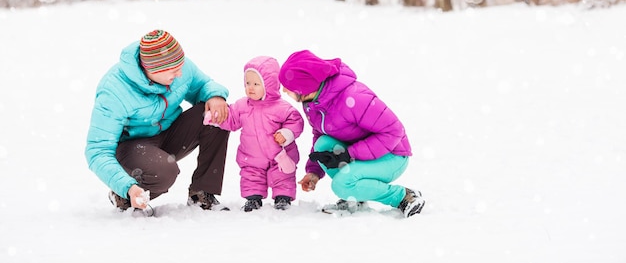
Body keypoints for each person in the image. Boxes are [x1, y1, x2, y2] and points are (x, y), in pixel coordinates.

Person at [85, 29, 231, 214]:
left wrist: (215, 95)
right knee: (164, 172)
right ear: (152, 70)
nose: (180, 73)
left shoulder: (179, 67)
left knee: (217, 115)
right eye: (173, 71)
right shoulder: (114, 90)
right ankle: (124, 196)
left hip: (170, 132)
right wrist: (126, 186)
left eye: (181, 66)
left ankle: (201, 194)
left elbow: (203, 85)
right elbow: (97, 151)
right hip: (134, 147)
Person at [278, 49, 425, 218]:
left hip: (392, 155)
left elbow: (394, 131)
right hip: (361, 153)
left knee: (341, 186)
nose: (283, 91)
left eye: (288, 87)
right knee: (323, 144)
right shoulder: (314, 102)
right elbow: (320, 133)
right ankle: (355, 197)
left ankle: (403, 196)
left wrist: (350, 154)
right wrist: (314, 172)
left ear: (304, 88)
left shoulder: (354, 98)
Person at [205, 56, 304, 212]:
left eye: (256, 84)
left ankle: (282, 198)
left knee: (282, 176)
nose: (250, 88)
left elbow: (296, 121)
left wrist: (287, 133)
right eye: (248, 83)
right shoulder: (242, 106)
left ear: (270, 85)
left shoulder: (282, 108)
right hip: (251, 156)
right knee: (251, 176)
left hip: (280, 155)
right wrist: (215, 117)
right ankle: (253, 199)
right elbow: (231, 119)